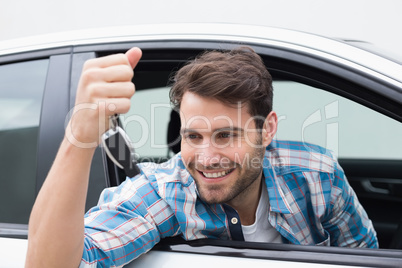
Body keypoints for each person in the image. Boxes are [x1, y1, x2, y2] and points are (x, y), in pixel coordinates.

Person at [25, 46, 378, 267]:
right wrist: (81, 134)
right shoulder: (166, 192)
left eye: (226, 135)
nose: (207, 158)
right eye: (193, 136)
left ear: (267, 129)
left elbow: (367, 258)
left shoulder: (317, 174)